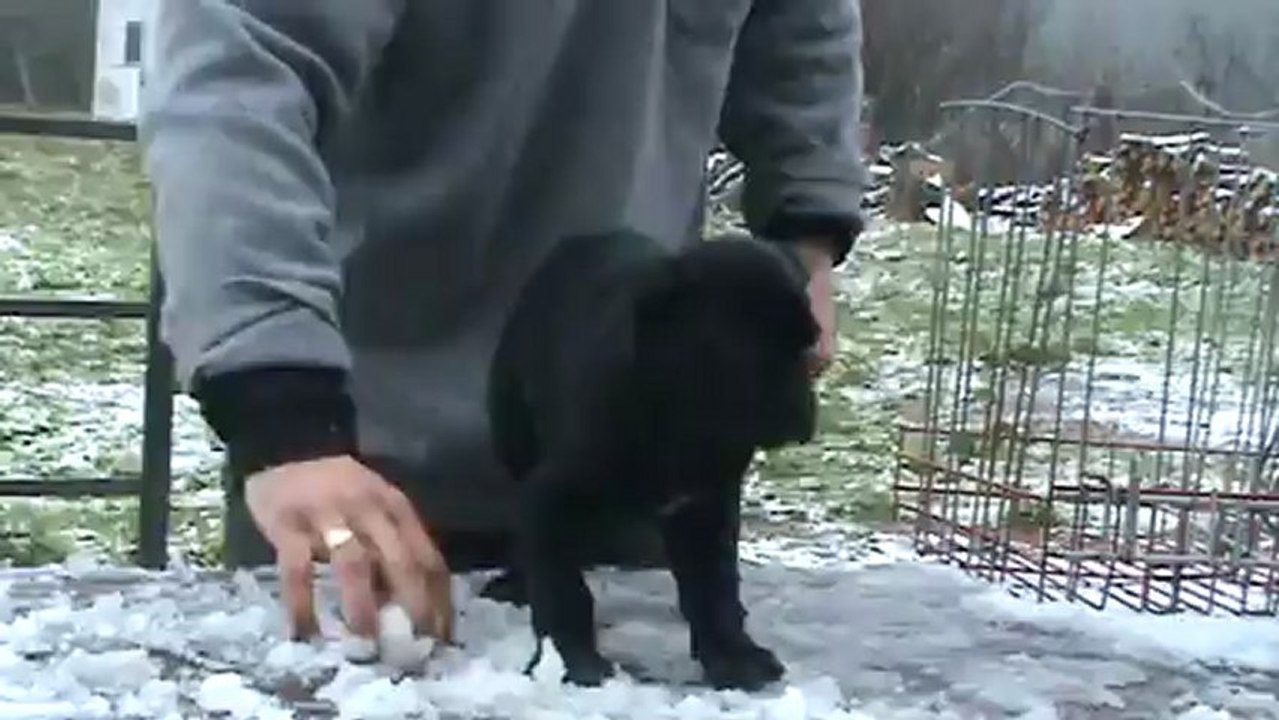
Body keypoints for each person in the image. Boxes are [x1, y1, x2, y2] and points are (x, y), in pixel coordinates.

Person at [139, 0, 866, 648]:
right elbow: (237, 71)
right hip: (358, 470)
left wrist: (804, 235)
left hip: (636, 433)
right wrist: (280, 403)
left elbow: (800, 26)